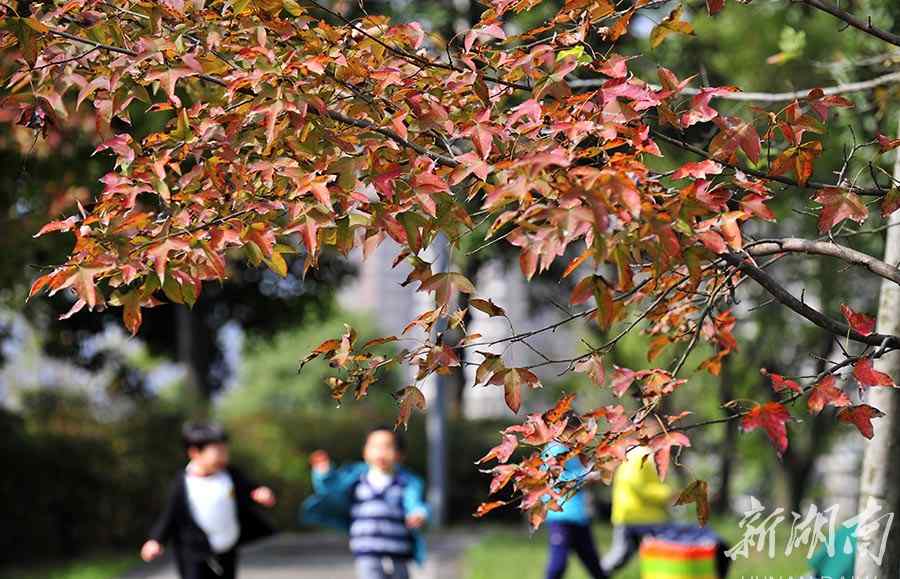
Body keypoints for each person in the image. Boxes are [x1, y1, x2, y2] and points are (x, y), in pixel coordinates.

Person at [140, 423, 276, 579]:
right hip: (194, 551)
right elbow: (169, 514)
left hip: (227, 547)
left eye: (225, 451)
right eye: (218, 452)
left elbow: (250, 488)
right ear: (195, 453)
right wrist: (156, 540)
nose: (224, 457)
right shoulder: (183, 483)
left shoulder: (230, 474)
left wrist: (260, 493)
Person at [302, 426, 429, 579]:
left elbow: (415, 503)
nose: (380, 452)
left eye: (387, 447)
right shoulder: (356, 478)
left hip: (398, 550)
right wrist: (323, 473)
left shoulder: (406, 482)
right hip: (366, 550)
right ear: (365, 452)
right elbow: (332, 487)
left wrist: (418, 514)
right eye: (375, 446)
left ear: (400, 454)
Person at [601, 446, 673, 574]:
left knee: (627, 555)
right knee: (622, 555)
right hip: (638, 516)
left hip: (642, 516)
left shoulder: (638, 454)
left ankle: (599, 573)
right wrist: (667, 494)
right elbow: (637, 485)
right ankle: (599, 573)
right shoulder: (638, 455)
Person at [543, 442, 608, 579]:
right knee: (558, 564)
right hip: (561, 515)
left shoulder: (574, 447)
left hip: (579, 515)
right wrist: (586, 477)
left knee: (593, 564)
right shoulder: (556, 448)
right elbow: (556, 477)